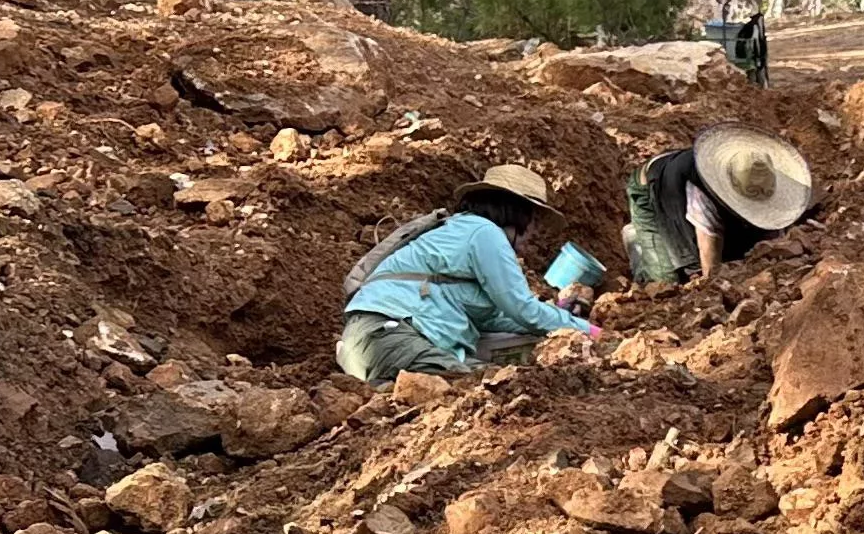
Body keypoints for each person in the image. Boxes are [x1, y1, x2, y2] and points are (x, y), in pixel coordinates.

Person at [339, 164, 600, 384]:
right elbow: (522, 308)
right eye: (534, 221)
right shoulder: (485, 233)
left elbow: (501, 317)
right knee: (478, 385)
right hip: (387, 337)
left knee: (489, 378)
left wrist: (560, 320)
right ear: (518, 213)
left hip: (371, 342)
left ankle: (381, 387)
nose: (534, 233)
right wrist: (591, 332)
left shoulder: (460, 230)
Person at [625, 127, 815, 290]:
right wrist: (712, 287)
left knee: (738, 248)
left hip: (683, 173)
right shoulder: (703, 191)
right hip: (652, 187)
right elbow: (708, 239)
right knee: (665, 280)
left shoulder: (764, 175)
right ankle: (637, 242)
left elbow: (774, 230)